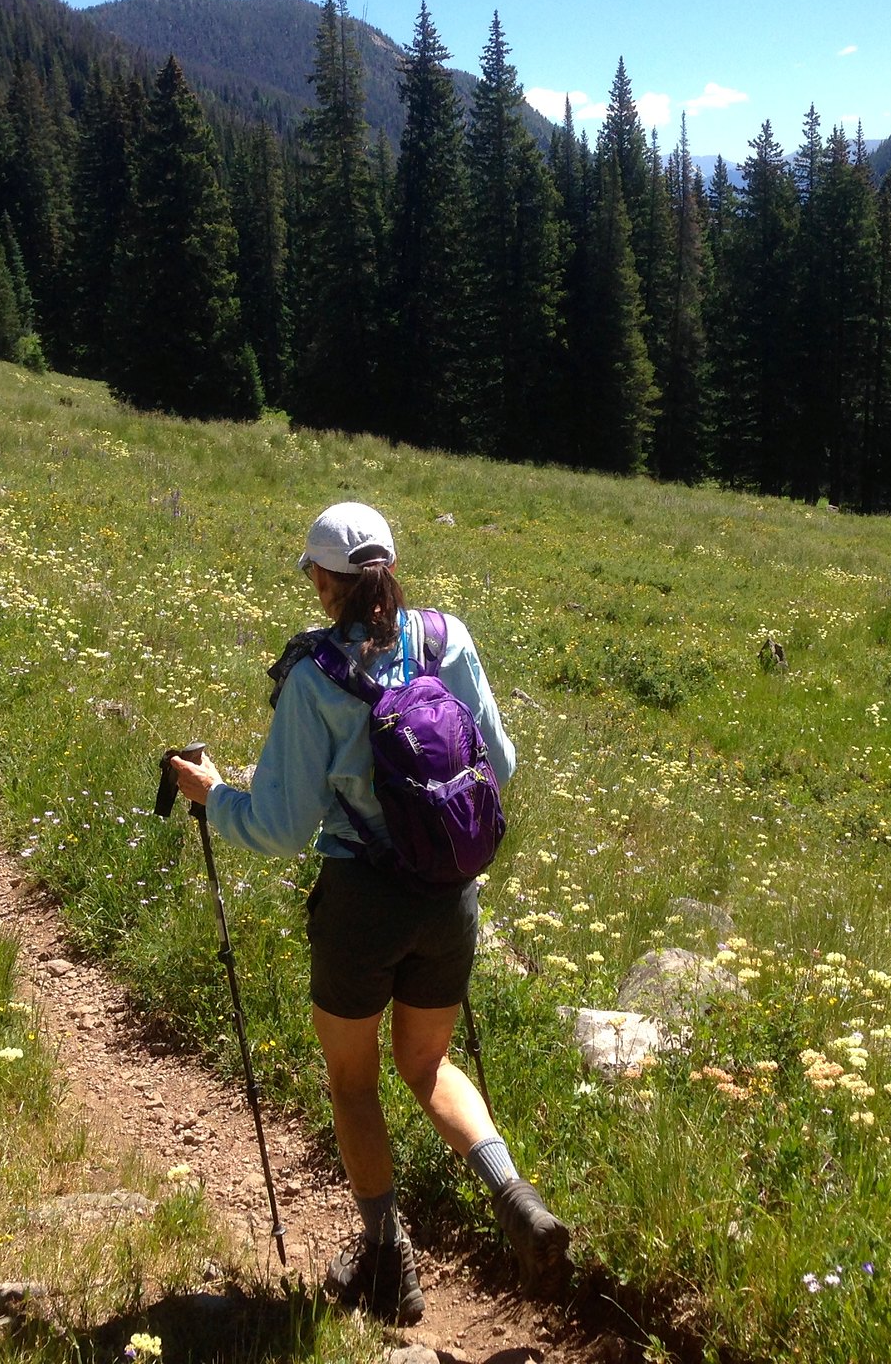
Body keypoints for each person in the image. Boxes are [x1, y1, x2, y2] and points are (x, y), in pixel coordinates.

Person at [170, 502, 569, 1325]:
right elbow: (503, 759)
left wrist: (215, 799)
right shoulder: (447, 638)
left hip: (361, 900)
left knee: (354, 1083)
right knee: (426, 1068)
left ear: (325, 581)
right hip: (450, 897)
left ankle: (389, 1262)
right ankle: (514, 1193)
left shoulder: (315, 676)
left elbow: (282, 828)